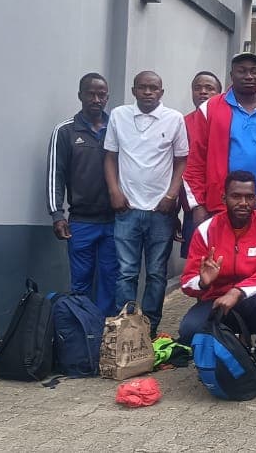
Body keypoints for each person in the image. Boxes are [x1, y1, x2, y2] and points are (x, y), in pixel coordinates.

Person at [178, 171, 256, 392]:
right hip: (215, 302)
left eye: (249, 197)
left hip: (251, 301)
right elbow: (187, 282)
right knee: (188, 329)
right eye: (236, 196)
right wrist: (204, 282)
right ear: (224, 198)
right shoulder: (206, 231)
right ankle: (222, 358)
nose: (243, 202)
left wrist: (237, 291)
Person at [103, 71, 188, 334]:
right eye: (143, 88)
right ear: (133, 90)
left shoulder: (174, 119)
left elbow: (181, 160)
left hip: (160, 212)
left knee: (156, 274)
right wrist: (114, 191)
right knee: (126, 273)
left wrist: (171, 196)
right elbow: (110, 157)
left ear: (162, 92)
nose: (148, 92)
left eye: (153, 88)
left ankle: (149, 330)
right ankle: (126, 328)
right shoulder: (119, 115)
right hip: (126, 209)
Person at [185, 52, 256, 224]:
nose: (249, 76)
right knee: (222, 252)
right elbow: (196, 160)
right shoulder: (210, 108)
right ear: (231, 75)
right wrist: (197, 205)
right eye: (242, 71)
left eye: (254, 71)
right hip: (222, 203)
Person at [47, 72, 117, 315]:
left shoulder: (117, 128)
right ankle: (83, 330)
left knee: (111, 281)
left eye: (101, 95)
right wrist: (57, 214)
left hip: (115, 221)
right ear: (80, 96)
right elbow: (55, 174)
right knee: (81, 282)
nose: (96, 99)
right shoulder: (65, 131)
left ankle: (105, 332)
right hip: (81, 221)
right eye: (91, 94)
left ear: (107, 97)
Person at [180, 71, 223, 259]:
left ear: (219, 94)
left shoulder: (226, 122)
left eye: (209, 88)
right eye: (198, 88)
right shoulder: (182, 123)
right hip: (193, 206)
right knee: (196, 261)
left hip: (222, 204)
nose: (203, 92)